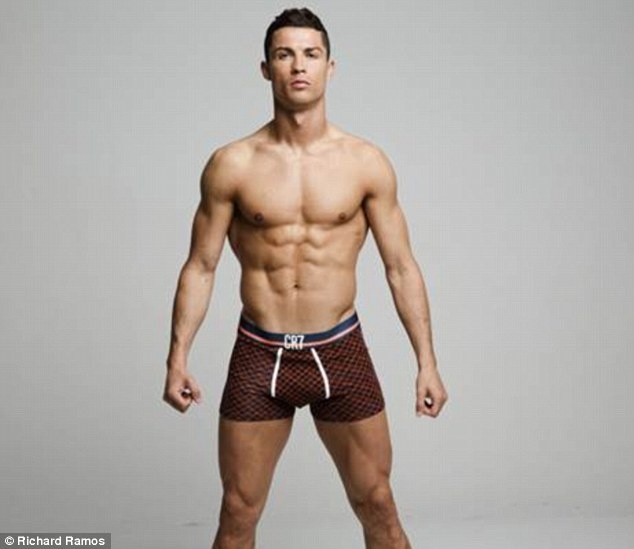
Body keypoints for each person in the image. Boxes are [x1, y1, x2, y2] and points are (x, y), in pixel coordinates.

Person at [163, 7, 448, 549]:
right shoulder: (232, 164)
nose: (299, 66)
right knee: (237, 512)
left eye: (311, 54)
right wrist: (177, 357)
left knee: (378, 503)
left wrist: (427, 363)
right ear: (266, 68)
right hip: (260, 352)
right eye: (285, 54)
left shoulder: (365, 163)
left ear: (329, 67)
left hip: (339, 350)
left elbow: (400, 266)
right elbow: (201, 266)